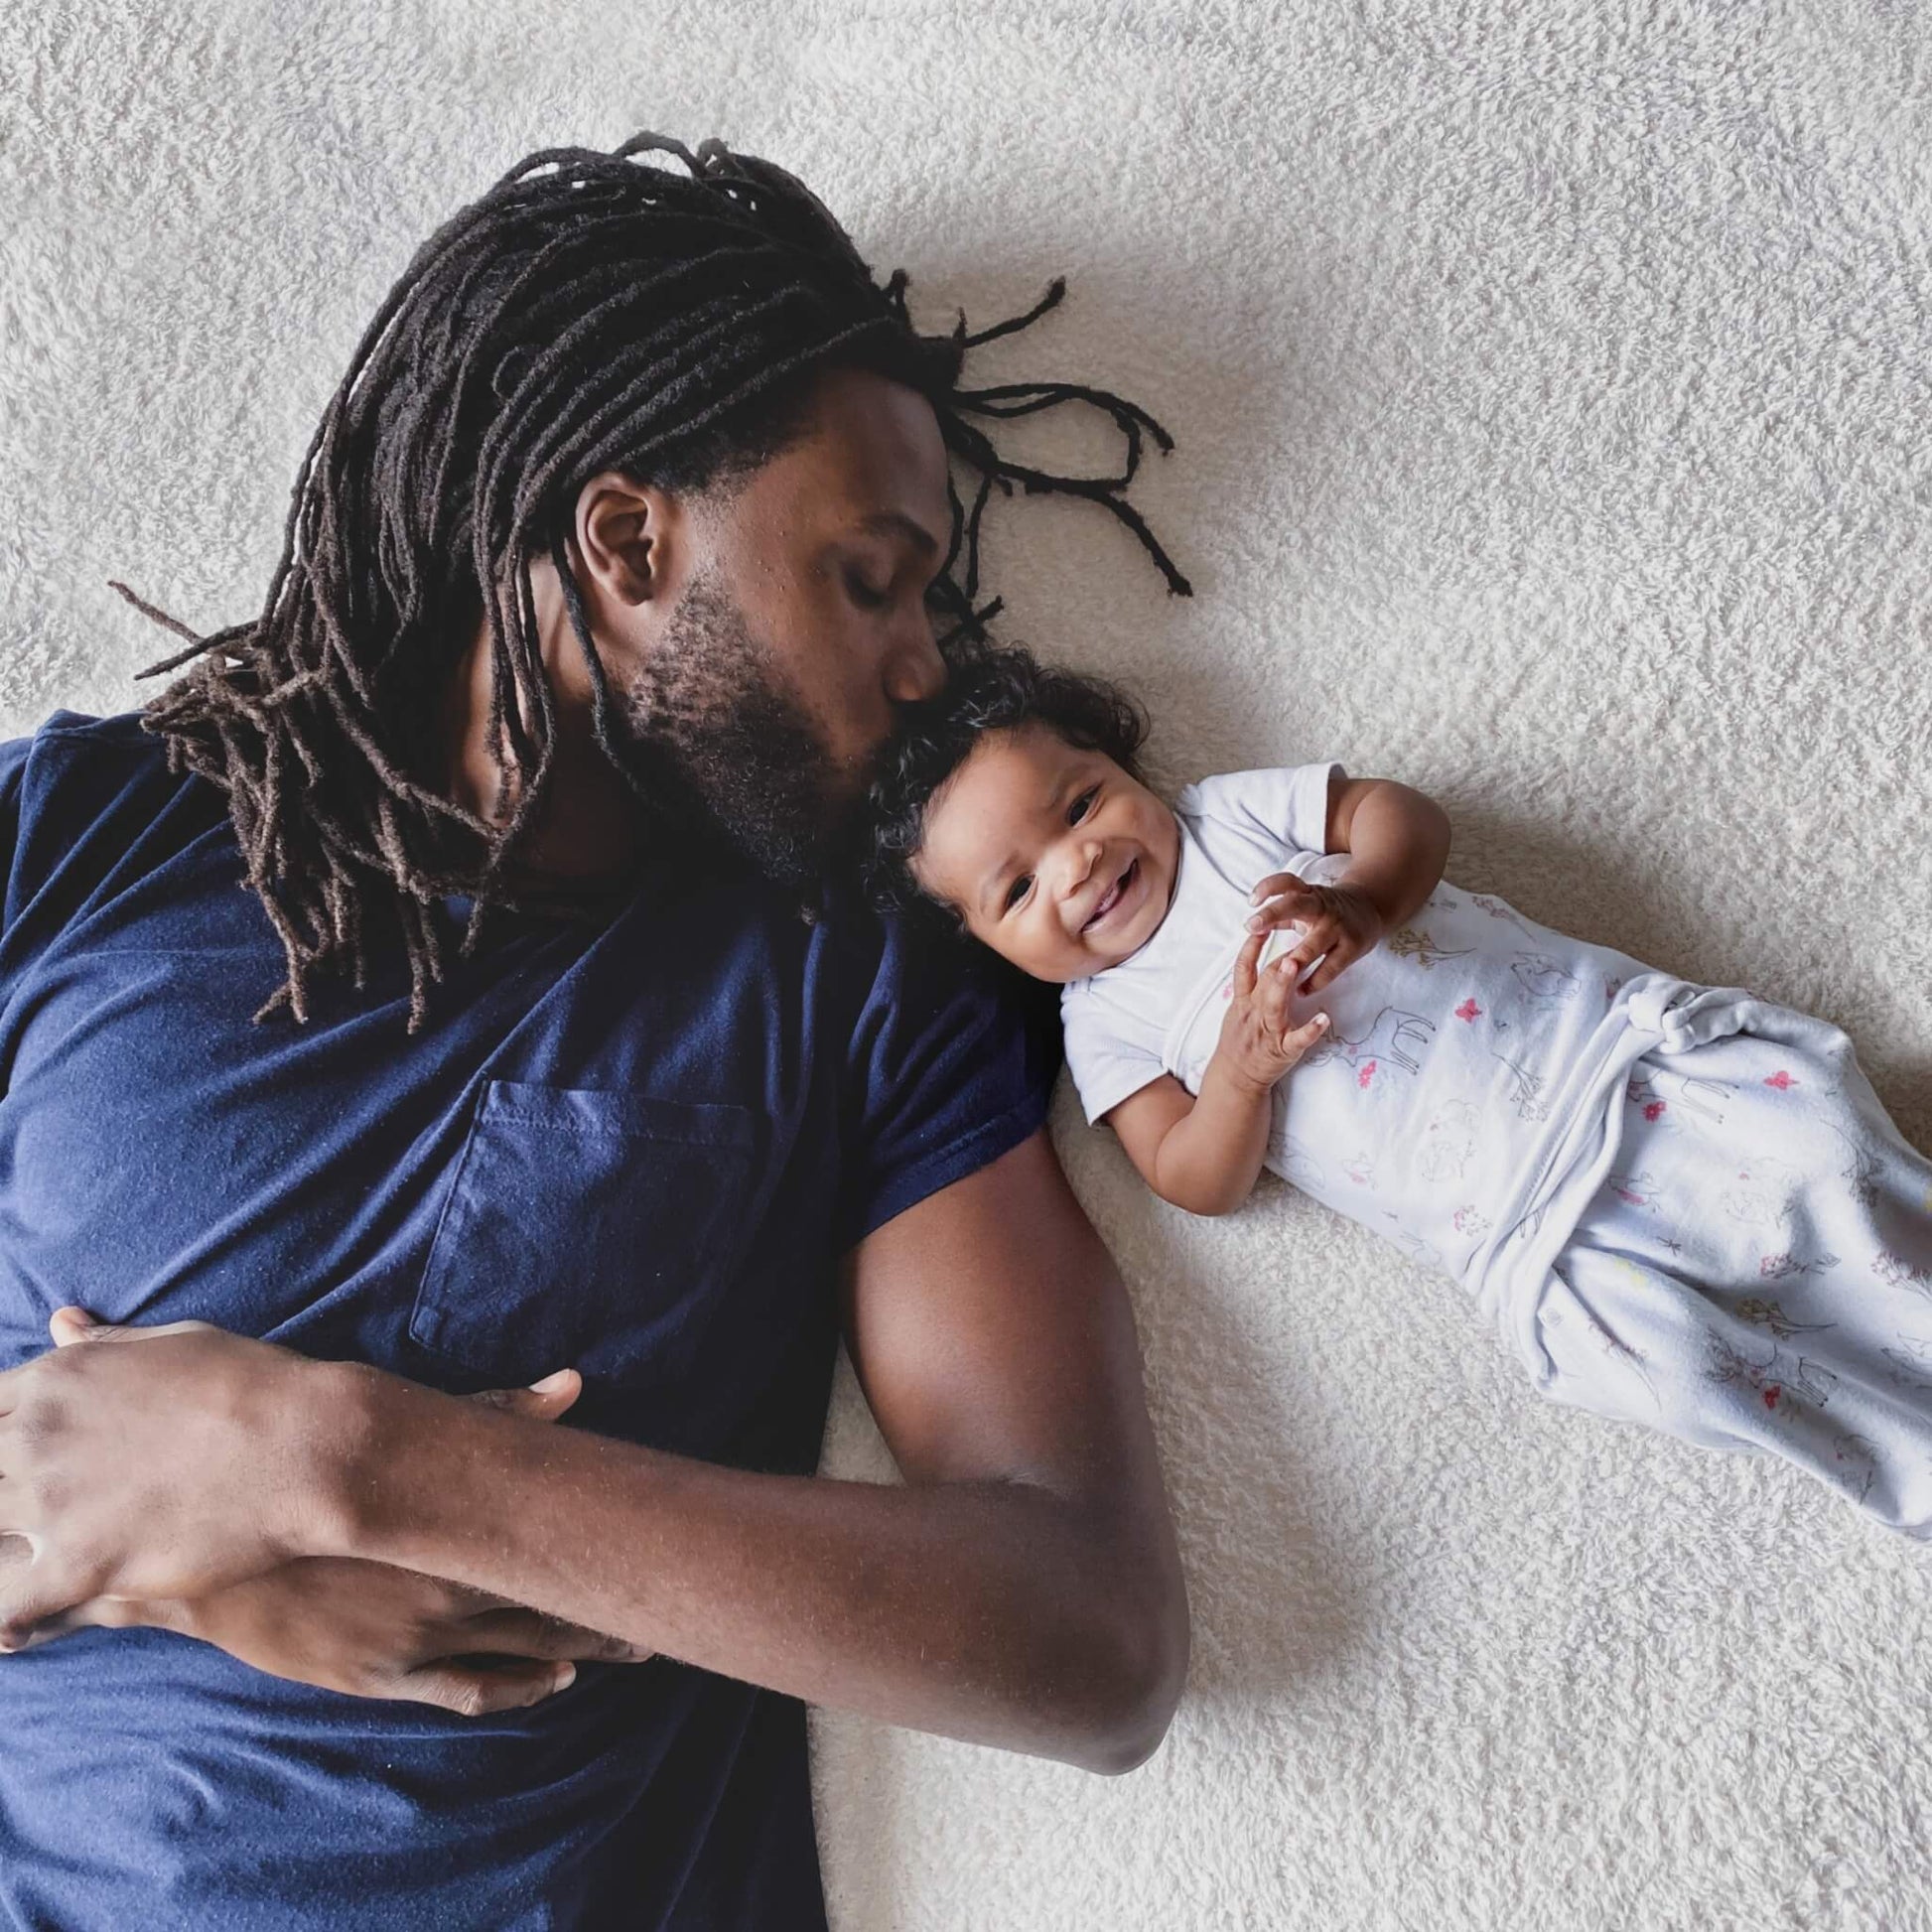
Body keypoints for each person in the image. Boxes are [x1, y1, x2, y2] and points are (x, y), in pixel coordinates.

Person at [0, 136, 1195, 1930]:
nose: (929, 664)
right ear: (626, 540)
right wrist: (161, 1553)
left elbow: (1085, 1635)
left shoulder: (863, 974)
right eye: (871, 578)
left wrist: (356, 1465)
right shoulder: (84, 831)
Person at [871, 645, 1932, 1533]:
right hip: (1532, 1235)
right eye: (1015, 887)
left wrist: (1367, 904)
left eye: (1080, 802)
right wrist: (1238, 1075)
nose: (1076, 861)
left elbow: (1398, 813)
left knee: (1823, 1162)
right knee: (1693, 1371)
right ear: (984, 944)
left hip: (1612, 1062)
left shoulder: (1223, 824)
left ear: (1116, 760)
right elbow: (1189, 1175)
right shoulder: (1103, 1022)